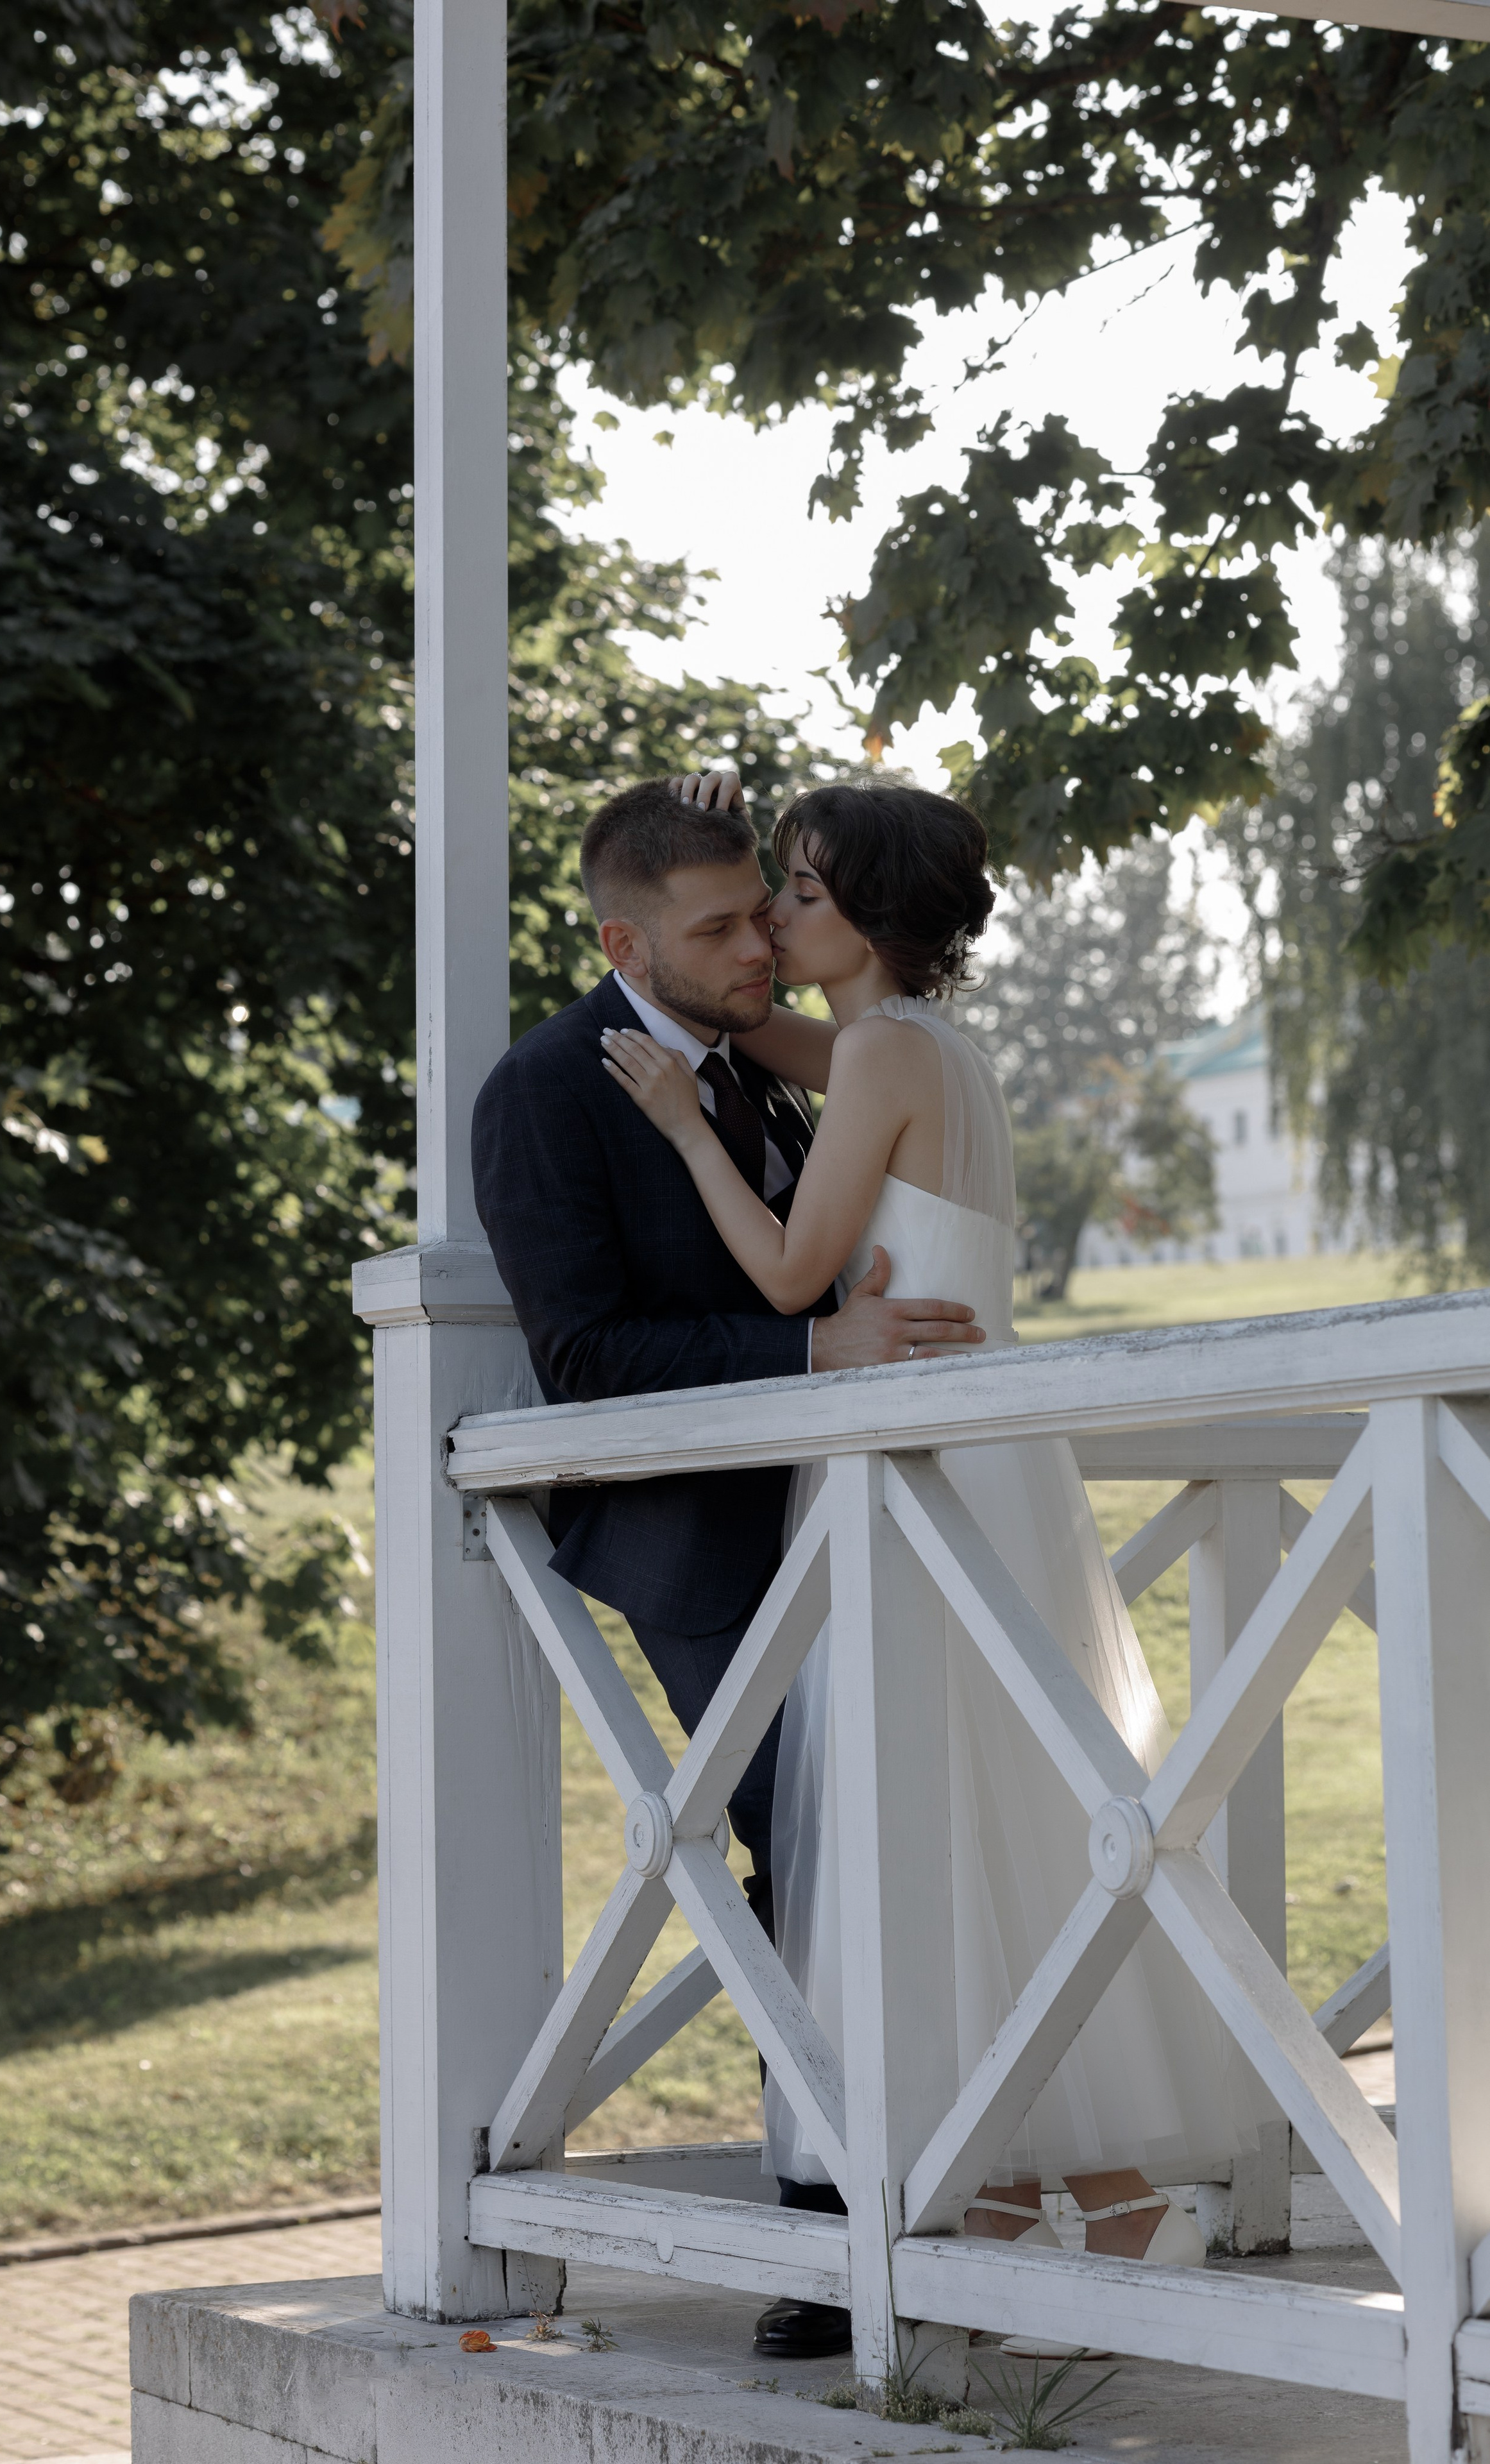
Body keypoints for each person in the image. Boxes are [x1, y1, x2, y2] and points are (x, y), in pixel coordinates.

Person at [602, 772, 1263, 2354]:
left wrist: (689, 1131)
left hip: (916, 1474)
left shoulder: (886, 1050)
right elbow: (756, 1026)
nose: (773, 920)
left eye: (801, 897)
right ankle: (1061, 2200)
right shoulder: (923, 1045)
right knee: (989, 1815)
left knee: (923, 1810)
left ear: (876, 922)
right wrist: (682, 967)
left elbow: (785, 1271)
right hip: (975, 1467)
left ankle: (996, 2204)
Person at [471, 776, 984, 2362]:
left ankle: (938, 2190)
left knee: (902, 1849)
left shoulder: (772, 1055)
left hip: (853, 1513)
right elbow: (588, 1356)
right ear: (625, 938)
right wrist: (809, 1346)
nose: (757, 937)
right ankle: (828, 2237)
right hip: (704, 1539)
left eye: (766, 903)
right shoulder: (548, 1091)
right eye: (719, 925)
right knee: (788, 1866)